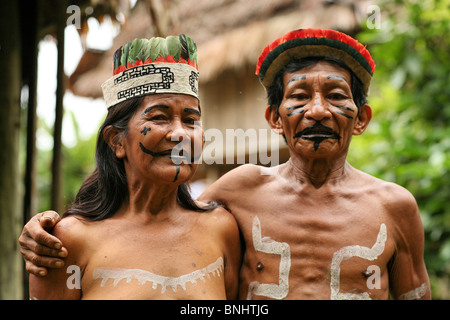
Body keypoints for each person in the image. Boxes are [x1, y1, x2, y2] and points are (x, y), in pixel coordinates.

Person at [20, 29, 430, 300]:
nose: (318, 111)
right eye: (159, 118)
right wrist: (43, 225)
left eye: (192, 121)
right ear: (274, 118)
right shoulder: (240, 194)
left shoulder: (394, 207)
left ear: (361, 118)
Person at [25, 34, 241, 300]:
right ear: (117, 141)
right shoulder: (67, 241)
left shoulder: (221, 229)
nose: (179, 133)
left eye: (190, 120)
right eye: (160, 117)